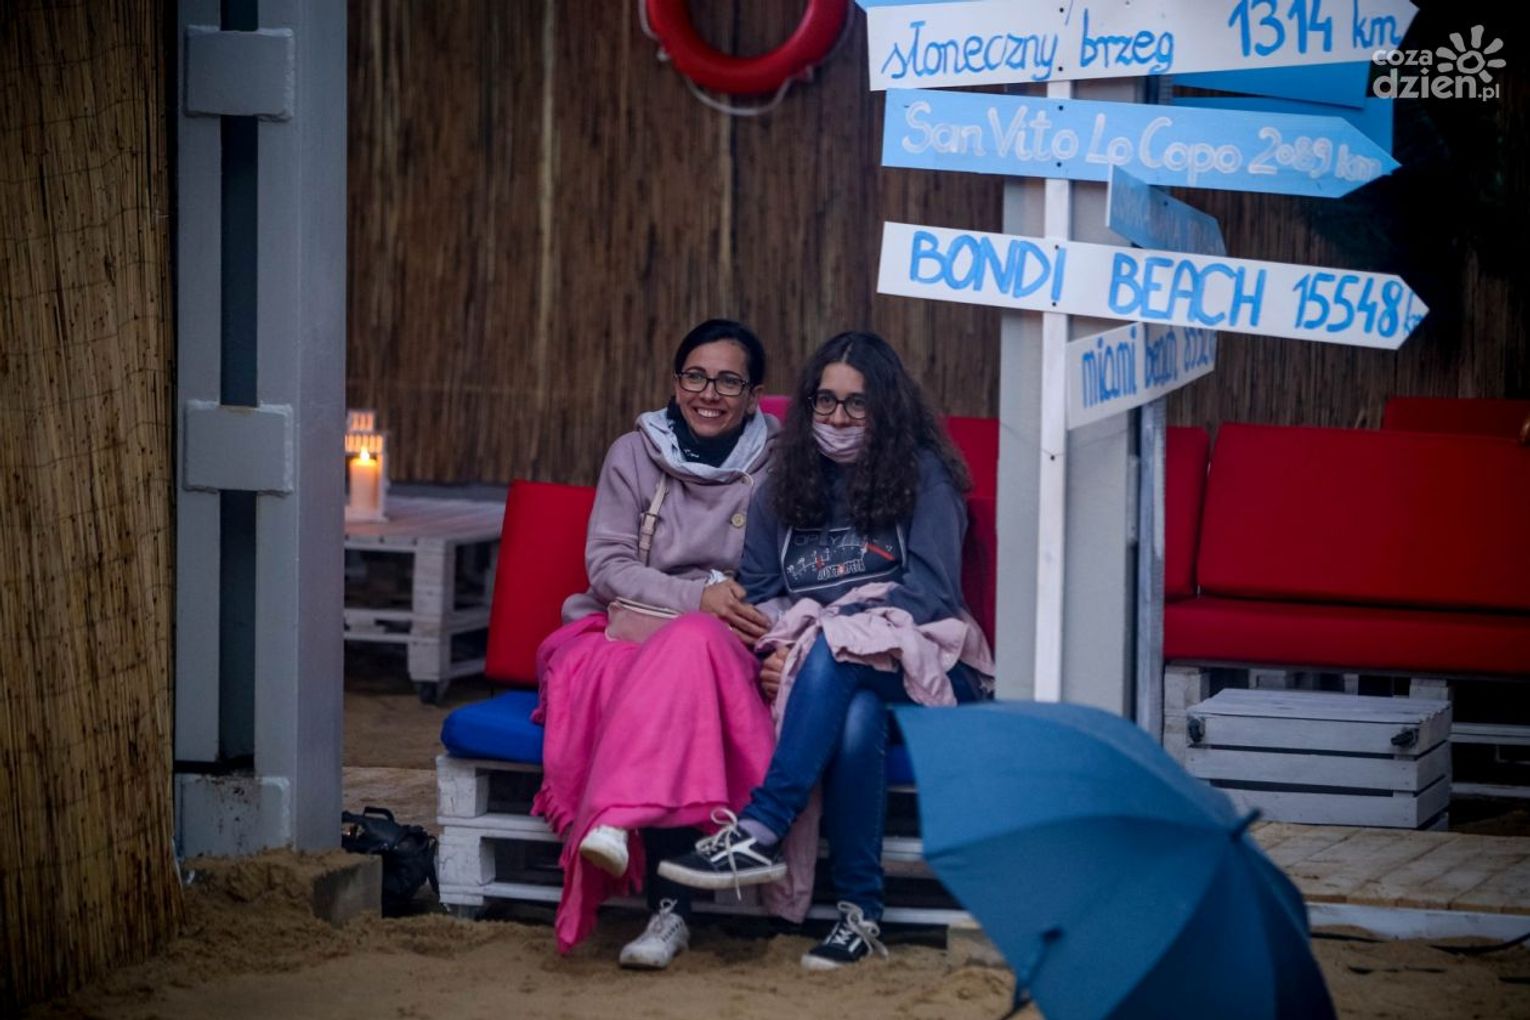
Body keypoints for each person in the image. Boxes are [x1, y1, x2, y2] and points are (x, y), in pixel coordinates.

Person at [658, 330, 994, 970]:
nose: (838, 418)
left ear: (885, 408)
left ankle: (760, 827)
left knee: (838, 652)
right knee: (857, 716)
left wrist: (824, 635)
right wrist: (782, 651)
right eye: (825, 401)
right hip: (830, 674)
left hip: (929, 661)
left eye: (856, 403)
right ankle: (859, 914)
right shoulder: (782, 485)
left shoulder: (924, 476)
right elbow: (763, 593)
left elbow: (931, 595)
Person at [532, 319, 779, 967]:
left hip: (725, 637)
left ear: (754, 395)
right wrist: (695, 598)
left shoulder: (781, 466)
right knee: (641, 666)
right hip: (630, 624)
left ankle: (628, 838)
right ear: (675, 382)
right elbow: (607, 567)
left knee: (690, 652)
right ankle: (666, 909)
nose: (709, 393)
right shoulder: (633, 454)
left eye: (729, 382)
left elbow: (784, 574)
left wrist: (726, 613)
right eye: (695, 376)